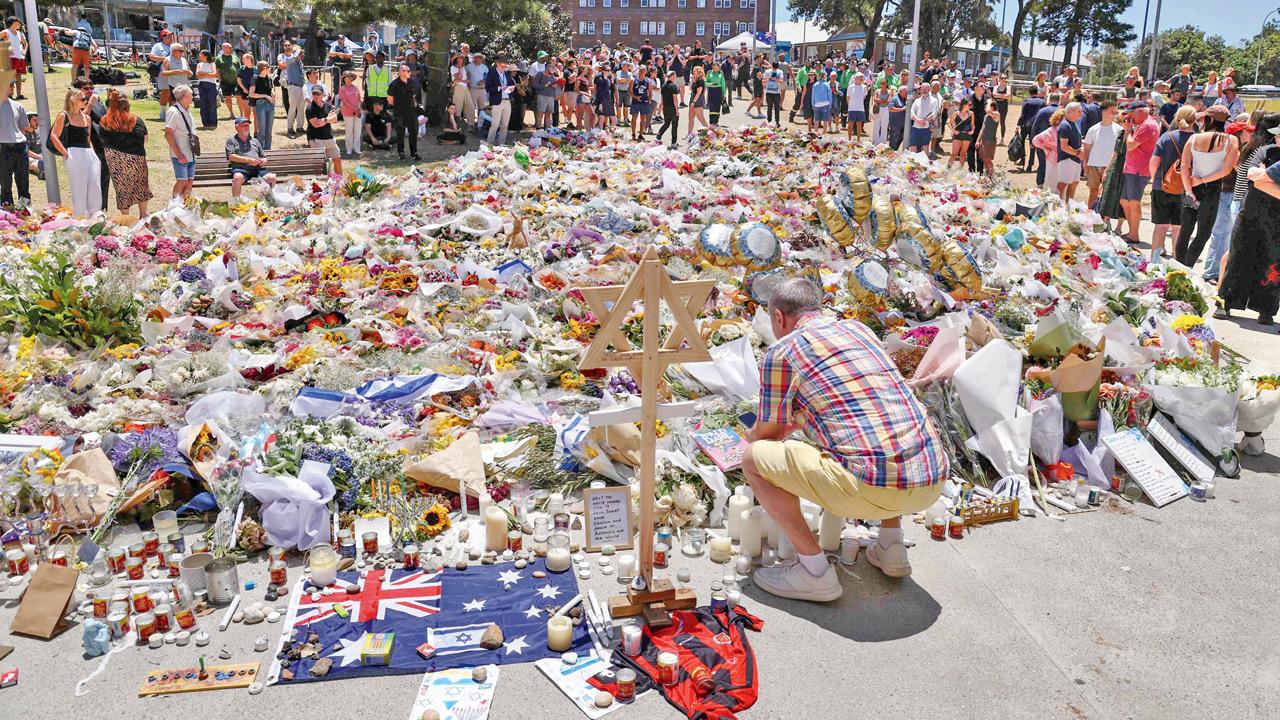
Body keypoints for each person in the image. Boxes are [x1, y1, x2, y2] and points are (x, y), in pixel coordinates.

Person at [743, 278, 948, 601]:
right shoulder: (859, 330)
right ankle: (891, 546)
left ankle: (813, 571)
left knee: (753, 458)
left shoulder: (783, 352)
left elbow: (766, 436)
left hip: (869, 488)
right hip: (932, 478)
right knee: (879, 430)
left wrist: (749, 437)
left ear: (779, 318)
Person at [1217, 115, 1280, 324]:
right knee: (1238, 255)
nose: (1276, 138)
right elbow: (1252, 174)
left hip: (1276, 219)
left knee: (1272, 262)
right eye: (1276, 135)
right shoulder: (1266, 151)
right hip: (1250, 213)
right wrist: (1265, 176)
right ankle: (1225, 303)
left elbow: (1260, 178)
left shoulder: (1269, 156)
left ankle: (1266, 310)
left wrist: (1265, 174)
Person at [1174, 105, 1239, 268]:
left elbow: (1184, 167)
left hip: (1191, 188)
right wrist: (1203, 180)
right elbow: (1226, 170)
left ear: (1208, 119)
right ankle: (1187, 267)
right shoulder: (1231, 140)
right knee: (1203, 233)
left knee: (1185, 230)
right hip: (1212, 190)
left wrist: (1189, 189)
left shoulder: (1194, 138)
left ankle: (1177, 265)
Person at [1148, 105, 1197, 261]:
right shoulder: (1198, 139)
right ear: (1194, 120)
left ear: (1176, 118)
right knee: (1179, 228)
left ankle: (1154, 261)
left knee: (1160, 226)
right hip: (1188, 189)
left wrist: (1155, 180)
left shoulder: (1166, 137)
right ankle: (1177, 262)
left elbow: (1154, 162)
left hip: (1162, 186)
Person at [97, 92, 151, 217]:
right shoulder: (136, 120)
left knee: (122, 189)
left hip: (115, 159)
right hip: (136, 158)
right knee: (141, 186)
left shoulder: (104, 121)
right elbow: (145, 138)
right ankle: (143, 214)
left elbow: (102, 140)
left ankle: (126, 217)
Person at [50, 89, 102, 216]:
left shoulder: (87, 118)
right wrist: (66, 153)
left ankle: (95, 216)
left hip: (88, 153)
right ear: (73, 99)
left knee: (95, 186)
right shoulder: (64, 115)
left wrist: (94, 155)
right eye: (82, 99)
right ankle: (80, 217)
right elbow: (53, 136)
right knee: (79, 188)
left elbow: (88, 139)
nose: (85, 101)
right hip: (74, 152)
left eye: (85, 99)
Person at [225, 116, 277, 201]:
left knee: (272, 177)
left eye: (247, 125)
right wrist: (249, 160)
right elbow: (231, 157)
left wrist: (263, 161)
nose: (246, 127)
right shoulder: (231, 141)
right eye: (243, 125)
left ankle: (268, 202)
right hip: (241, 169)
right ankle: (236, 203)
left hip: (258, 169)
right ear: (237, 127)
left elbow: (263, 157)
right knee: (237, 178)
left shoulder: (255, 141)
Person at [1082, 100, 1120, 210]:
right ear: (1104, 111)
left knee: (1107, 194)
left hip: (1110, 166)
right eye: (1112, 110)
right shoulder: (1093, 129)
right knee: (1093, 192)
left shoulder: (1119, 130)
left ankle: (1103, 217)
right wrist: (1085, 164)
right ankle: (1090, 215)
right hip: (1094, 165)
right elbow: (1087, 148)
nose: (1115, 112)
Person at [164, 84, 197, 201]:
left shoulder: (187, 110)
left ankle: (184, 207)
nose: (192, 97)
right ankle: (174, 205)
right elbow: (168, 134)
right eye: (190, 95)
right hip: (180, 153)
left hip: (191, 153)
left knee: (189, 182)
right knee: (182, 181)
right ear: (183, 97)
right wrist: (179, 154)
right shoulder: (174, 111)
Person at [0, 81, 30, 206]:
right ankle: (8, 215)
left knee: (23, 182)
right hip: (3, 147)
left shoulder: (18, 106)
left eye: (13, 85)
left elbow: (24, 128)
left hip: (20, 146)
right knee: (5, 183)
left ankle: (25, 210)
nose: (12, 87)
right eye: (10, 84)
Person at [305, 85, 342, 176]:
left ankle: (339, 181)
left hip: (328, 137)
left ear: (322, 94)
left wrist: (324, 120)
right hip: (315, 139)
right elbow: (316, 124)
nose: (316, 96)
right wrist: (328, 118)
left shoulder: (328, 106)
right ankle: (318, 182)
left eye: (318, 93)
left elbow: (335, 119)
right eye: (314, 93)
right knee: (320, 163)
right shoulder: (310, 108)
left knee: (337, 159)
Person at [387, 64, 421, 159]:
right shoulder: (394, 84)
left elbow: (414, 96)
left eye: (410, 71)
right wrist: (399, 105)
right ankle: (401, 153)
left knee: (413, 133)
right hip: (400, 112)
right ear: (402, 72)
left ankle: (413, 154)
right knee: (400, 134)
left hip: (411, 112)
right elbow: (390, 99)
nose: (410, 73)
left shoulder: (412, 82)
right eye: (408, 71)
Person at [1029, 93, 1060, 186]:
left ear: (1050, 100)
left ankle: (1040, 184)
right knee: (1055, 165)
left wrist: (1031, 141)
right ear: (1059, 100)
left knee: (1042, 163)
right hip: (1057, 144)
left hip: (1043, 142)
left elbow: (1035, 126)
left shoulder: (1042, 111)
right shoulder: (1062, 112)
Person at [1056, 102, 1085, 203]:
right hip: (1067, 159)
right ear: (1071, 111)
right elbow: (1064, 146)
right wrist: (1078, 153)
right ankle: (1056, 208)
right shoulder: (1065, 125)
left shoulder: (1073, 123)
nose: (1081, 113)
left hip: (1074, 159)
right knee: (1063, 184)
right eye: (1079, 111)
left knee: (1074, 183)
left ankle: (1068, 206)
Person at [484, 58, 515, 146]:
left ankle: (501, 144)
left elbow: (510, 84)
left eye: (505, 66)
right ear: (497, 64)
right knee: (495, 124)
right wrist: (499, 88)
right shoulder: (492, 73)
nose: (504, 68)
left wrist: (511, 88)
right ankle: (489, 144)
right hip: (497, 101)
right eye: (502, 66)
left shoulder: (507, 74)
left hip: (507, 100)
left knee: (505, 125)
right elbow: (488, 88)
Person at [1018, 86, 1047, 174]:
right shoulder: (1042, 102)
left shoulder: (1027, 101)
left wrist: (1018, 124)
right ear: (1037, 92)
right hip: (1036, 126)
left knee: (1021, 142)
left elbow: (1022, 115)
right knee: (1033, 145)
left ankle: (1022, 159)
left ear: (1029, 92)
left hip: (1026, 125)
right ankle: (1030, 164)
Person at [279, 40, 305, 136]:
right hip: (293, 86)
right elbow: (290, 59)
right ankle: (290, 127)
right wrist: (296, 51)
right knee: (293, 108)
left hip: (301, 87)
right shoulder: (290, 60)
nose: (302, 54)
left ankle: (300, 127)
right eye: (300, 53)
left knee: (301, 108)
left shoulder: (300, 62)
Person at [248, 61, 275, 150]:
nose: (270, 68)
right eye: (268, 67)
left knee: (269, 131)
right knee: (262, 130)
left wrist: (272, 93)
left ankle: (268, 150)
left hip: (270, 105)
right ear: (264, 68)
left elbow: (270, 90)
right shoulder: (255, 78)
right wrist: (265, 96)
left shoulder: (269, 78)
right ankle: (259, 151)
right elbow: (251, 94)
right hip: (261, 104)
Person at [337, 71, 362, 157]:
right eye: (348, 77)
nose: (350, 79)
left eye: (351, 77)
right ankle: (349, 148)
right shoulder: (342, 88)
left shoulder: (355, 87)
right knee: (349, 131)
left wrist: (358, 107)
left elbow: (359, 98)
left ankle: (357, 148)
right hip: (348, 112)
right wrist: (354, 109)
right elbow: (344, 102)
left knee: (358, 131)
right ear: (344, 79)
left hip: (357, 112)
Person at [193, 49, 220, 130]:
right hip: (202, 85)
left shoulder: (212, 64)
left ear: (205, 55)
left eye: (200, 54)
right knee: (203, 104)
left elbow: (214, 74)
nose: (199, 56)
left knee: (212, 104)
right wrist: (208, 74)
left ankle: (213, 122)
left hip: (211, 85)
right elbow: (197, 75)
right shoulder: (199, 64)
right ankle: (205, 123)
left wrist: (203, 74)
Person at [908, 83, 938, 153]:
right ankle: (913, 163)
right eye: (923, 88)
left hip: (926, 127)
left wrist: (924, 120)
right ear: (920, 89)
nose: (924, 90)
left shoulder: (934, 100)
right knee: (913, 146)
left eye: (926, 89)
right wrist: (918, 120)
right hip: (915, 127)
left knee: (925, 146)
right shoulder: (916, 100)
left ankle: (925, 163)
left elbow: (934, 113)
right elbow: (912, 112)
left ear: (929, 89)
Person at [1, 18, 27, 100]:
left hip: (19, 57)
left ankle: (19, 94)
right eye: (18, 23)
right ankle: (9, 95)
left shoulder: (20, 34)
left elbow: (26, 44)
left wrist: (24, 51)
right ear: (13, 23)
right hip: (10, 58)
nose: (19, 24)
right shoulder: (6, 32)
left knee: (18, 76)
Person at [214, 43, 239, 122]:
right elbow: (217, 70)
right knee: (228, 98)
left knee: (239, 97)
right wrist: (219, 79)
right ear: (224, 48)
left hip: (236, 81)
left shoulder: (235, 57)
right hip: (225, 81)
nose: (231, 48)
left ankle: (242, 114)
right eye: (230, 47)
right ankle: (231, 114)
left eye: (231, 47)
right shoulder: (218, 58)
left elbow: (239, 68)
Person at [656, 70, 680, 147]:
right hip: (672, 107)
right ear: (672, 76)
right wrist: (677, 110)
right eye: (675, 75)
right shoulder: (673, 86)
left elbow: (662, 99)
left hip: (665, 107)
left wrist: (662, 107)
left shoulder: (663, 86)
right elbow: (675, 99)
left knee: (666, 124)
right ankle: (673, 143)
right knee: (674, 125)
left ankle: (658, 136)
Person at [977, 98, 1000, 178]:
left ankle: (990, 176)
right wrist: (978, 140)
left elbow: (988, 111)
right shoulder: (986, 116)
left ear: (992, 107)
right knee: (984, 159)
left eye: (986, 106)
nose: (985, 108)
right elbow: (982, 129)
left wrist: (989, 101)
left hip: (990, 141)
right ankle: (986, 176)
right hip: (983, 140)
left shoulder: (996, 114)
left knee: (988, 159)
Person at [948, 97, 973, 168]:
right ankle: (947, 169)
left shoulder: (971, 114)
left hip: (967, 135)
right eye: (969, 105)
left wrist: (972, 130)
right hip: (957, 135)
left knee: (963, 154)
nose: (970, 106)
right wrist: (953, 131)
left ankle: (960, 171)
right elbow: (949, 123)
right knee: (954, 154)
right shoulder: (956, 113)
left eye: (971, 105)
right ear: (964, 105)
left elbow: (972, 125)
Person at [466, 53, 489, 127]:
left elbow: (487, 77)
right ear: (474, 58)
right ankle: (471, 124)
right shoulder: (469, 66)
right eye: (478, 58)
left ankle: (481, 124)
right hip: (473, 89)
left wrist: (484, 81)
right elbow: (465, 75)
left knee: (483, 107)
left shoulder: (484, 67)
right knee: (471, 107)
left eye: (480, 58)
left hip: (482, 89)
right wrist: (468, 81)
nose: (479, 59)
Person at [236, 53, 256, 135]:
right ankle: (247, 131)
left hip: (255, 94)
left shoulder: (256, 69)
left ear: (249, 59)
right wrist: (243, 88)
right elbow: (239, 80)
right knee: (247, 113)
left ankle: (256, 131)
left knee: (256, 114)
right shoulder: (242, 69)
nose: (242, 61)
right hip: (246, 93)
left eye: (243, 59)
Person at [630, 66, 652, 141]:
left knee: (643, 118)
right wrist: (635, 97)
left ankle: (641, 134)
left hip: (644, 102)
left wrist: (649, 100)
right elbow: (629, 91)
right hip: (635, 102)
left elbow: (650, 92)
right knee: (634, 117)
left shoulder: (647, 81)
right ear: (639, 71)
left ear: (646, 72)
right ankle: (633, 133)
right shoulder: (633, 80)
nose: (643, 72)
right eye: (641, 71)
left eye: (644, 71)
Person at [844, 72, 867, 141]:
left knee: (859, 125)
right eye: (860, 77)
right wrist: (850, 106)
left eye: (862, 77)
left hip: (860, 109)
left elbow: (864, 97)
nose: (861, 78)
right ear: (856, 78)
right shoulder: (850, 87)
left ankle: (858, 140)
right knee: (850, 124)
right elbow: (847, 97)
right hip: (852, 109)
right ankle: (849, 140)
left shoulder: (864, 87)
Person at [764, 62, 785, 128]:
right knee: (769, 107)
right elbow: (764, 81)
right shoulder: (767, 71)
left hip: (776, 93)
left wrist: (776, 79)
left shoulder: (780, 71)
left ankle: (777, 121)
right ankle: (769, 121)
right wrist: (769, 78)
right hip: (769, 92)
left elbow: (781, 81)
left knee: (777, 107)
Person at [888, 84, 909, 150]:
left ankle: (895, 152)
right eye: (906, 92)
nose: (907, 93)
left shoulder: (906, 99)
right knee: (894, 141)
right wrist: (901, 109)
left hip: (903, 124)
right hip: (895, 124)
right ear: (900, 92)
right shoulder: (894, 99)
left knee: (900, 140)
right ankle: (891, 154)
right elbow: (890, 108)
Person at [992, 73, 1011, 142]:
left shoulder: (1008, 87)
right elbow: (994, 95)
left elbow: (1008, 96)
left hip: (1004, 105)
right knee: (995, 121)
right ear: (999, 79)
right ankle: (993, 137)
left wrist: (999, 95)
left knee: (1002, 122)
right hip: (997, 105)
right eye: (1002, 78)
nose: (1003, 80)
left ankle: (1002, 139)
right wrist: (1003, 96)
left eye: (1005, 78)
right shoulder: (996, 87)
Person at [706, 63, 726, 127]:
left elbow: (723, 84)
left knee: (717, 107)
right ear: (712, 67)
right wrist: (710, 84)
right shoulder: (709, 73)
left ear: (719, 67)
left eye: (717, 67)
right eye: (714, 67)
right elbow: (705, 82)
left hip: (718, 91)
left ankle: (716, 122)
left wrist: (724, 94)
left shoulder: (721, 73)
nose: (715, 68)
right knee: (711, 107)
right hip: (711, 91)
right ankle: (711, 122)